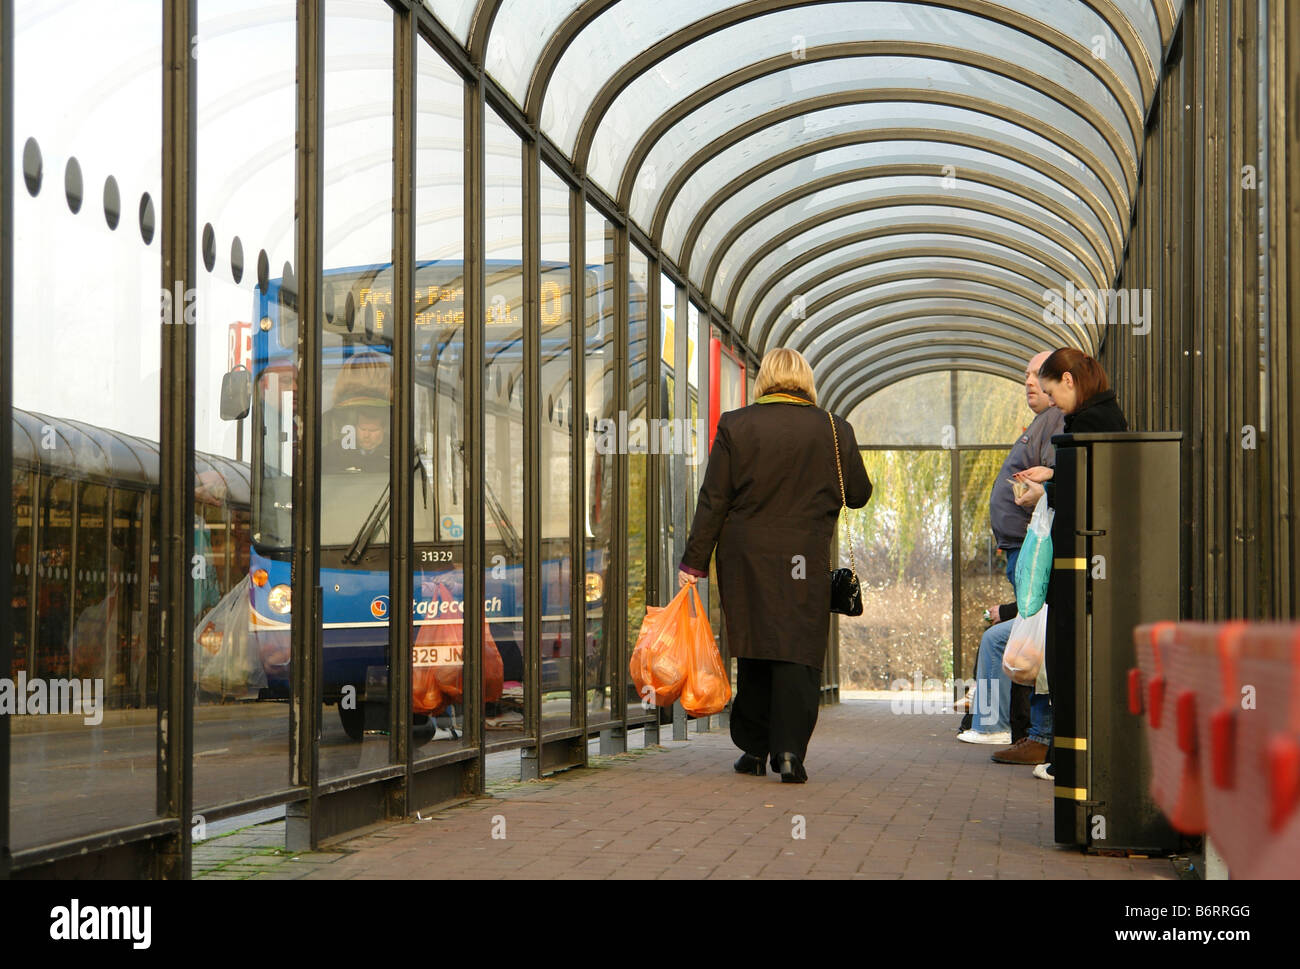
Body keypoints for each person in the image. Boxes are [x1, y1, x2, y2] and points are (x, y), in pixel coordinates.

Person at [677, 347, 871, 783]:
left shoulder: (736, 424)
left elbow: (714, 500)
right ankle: (789, 753)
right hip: (804, 558)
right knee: (797, 651)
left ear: (764, 379)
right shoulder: (835, 430)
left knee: (755, 646)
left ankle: (753, 749)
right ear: (806, 380)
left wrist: (694, 562)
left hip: (746, 557)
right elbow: (858, 493)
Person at [1012, 348, 1128, 779]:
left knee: (1069, 662)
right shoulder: (1096, 418)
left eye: (1051, 392)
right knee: (1065, 662)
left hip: (1081, 565)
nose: (1052, 403)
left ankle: (1068, 760)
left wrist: (1048, 490)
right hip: (1082, 563)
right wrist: (1051, 477)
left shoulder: (1091, 423)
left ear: (1068, 379)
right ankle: (1066, 757)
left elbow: (1091, 494)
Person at [956, 351, 1062, 754]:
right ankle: (1029, 732)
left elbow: (1055, 473)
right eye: (1026, 376)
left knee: (1034, 637)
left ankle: (1039, 734)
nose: (1029, 382)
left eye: (1038, 375)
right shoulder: (1042, 421)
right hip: (1022, 548)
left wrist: (1039, 487)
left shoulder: (1055, 418)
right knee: (1031, 634)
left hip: (1034, 549)